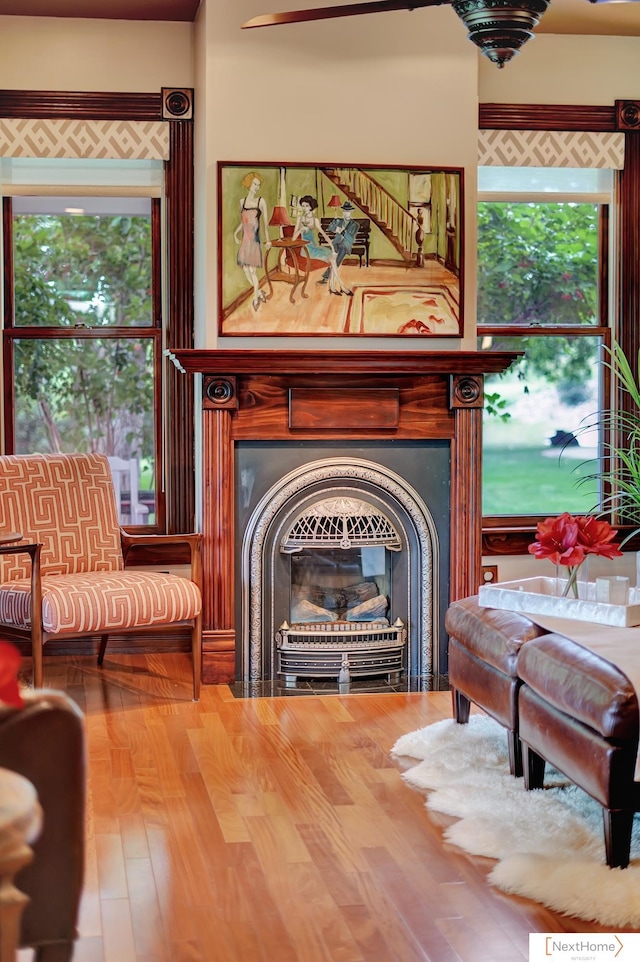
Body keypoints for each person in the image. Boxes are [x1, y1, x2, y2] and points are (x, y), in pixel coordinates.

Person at [292, 195, 352, 296]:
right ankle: (341, 286)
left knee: (333, 256)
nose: (304, 208)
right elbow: (294, 238)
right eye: (303, 206)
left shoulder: (315, 220)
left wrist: (332, 248)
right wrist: (300, 230)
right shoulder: (300, 218)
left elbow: (324, 234)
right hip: (306, 249)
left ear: (311, 207)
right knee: (332, 260)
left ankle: (333, 287)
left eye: (306, 206)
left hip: (314, 247)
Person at [233, 172, 270, 311]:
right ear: (248, 184)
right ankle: (259, 292)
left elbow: (265, 224)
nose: (256, 187)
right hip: (244, 240)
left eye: (258, 185)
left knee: (252, 271)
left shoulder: (261, 201)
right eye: (254, 184)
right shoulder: (242, 202)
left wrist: (267, 240)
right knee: (246, 270)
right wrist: (235, 233)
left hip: (254, 240)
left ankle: (255, 299)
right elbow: (243, 222)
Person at [317, 200, 359, 287]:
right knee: (331, 257)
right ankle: (329, 278)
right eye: (344, 211)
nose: (345, 213)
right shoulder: (339, 221)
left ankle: (325, 278)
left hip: (345, 245)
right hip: (335, 243)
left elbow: (351, 239)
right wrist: (336, 227)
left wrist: (343, 232)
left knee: (337, 260)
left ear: (351, 212)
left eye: (347, 211)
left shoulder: (355, 225)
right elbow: (330, 227)